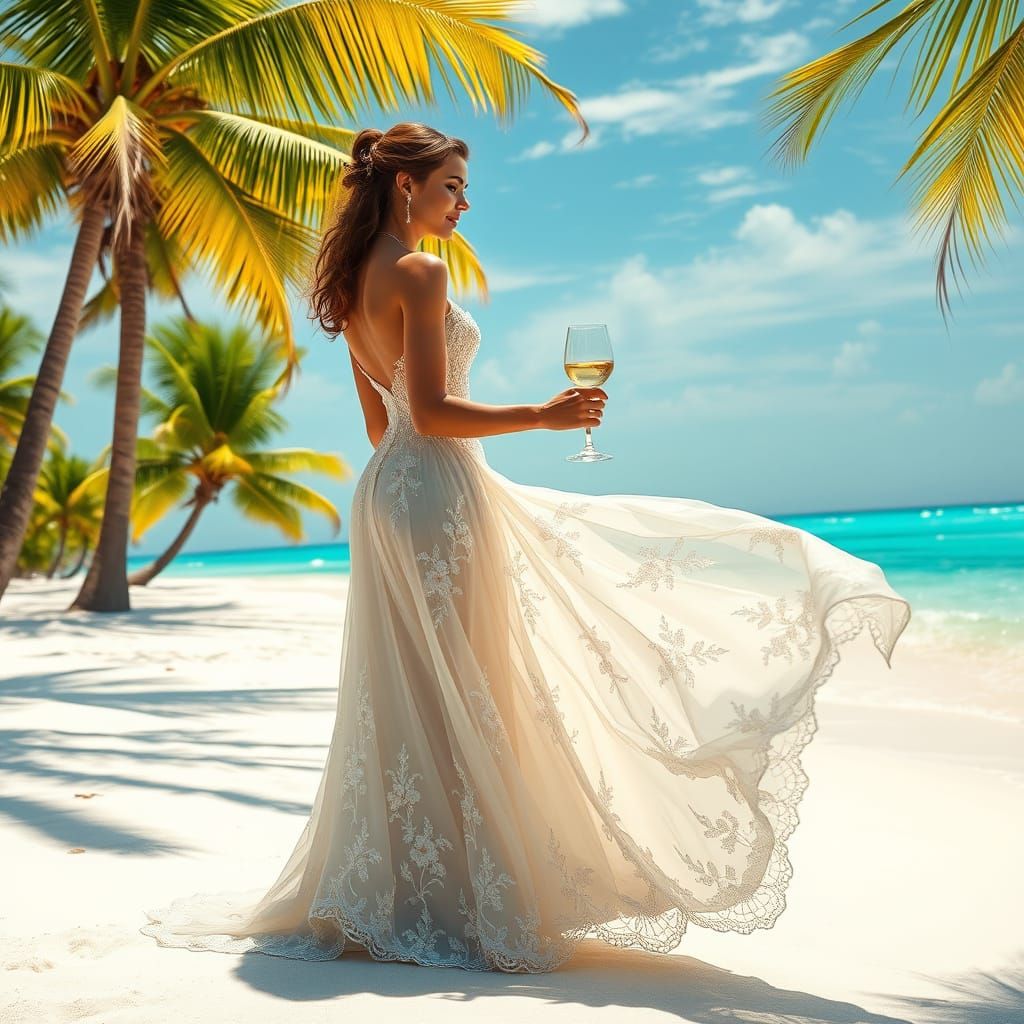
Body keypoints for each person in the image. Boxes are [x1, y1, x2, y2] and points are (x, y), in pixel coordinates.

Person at [140, 122, 911, 973]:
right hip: (436, 488)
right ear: (405, 186)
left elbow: (379, 425)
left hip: (389, 495)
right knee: (470, 683)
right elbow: (430, 413)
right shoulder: (420, 270)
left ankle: (411, 889)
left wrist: (437, 463)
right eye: (452, 186)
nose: (464, 203)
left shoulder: (350, 279)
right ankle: (463, 897)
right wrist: (542, 417)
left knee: (416, 690)